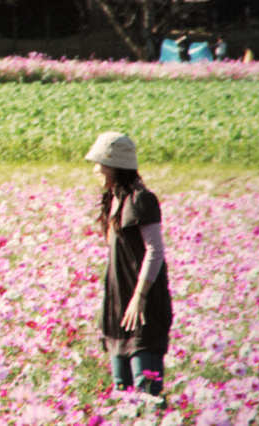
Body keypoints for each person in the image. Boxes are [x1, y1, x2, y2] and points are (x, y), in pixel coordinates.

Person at [85, 132, 172, 396]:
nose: (96, 169)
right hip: (119, 304)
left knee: (146, 390)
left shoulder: (141, 199)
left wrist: (140, 296)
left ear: (116, 166)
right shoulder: (113, 199)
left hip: (141, 306)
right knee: (122, 390)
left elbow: (155, 250)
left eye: (101, 163)